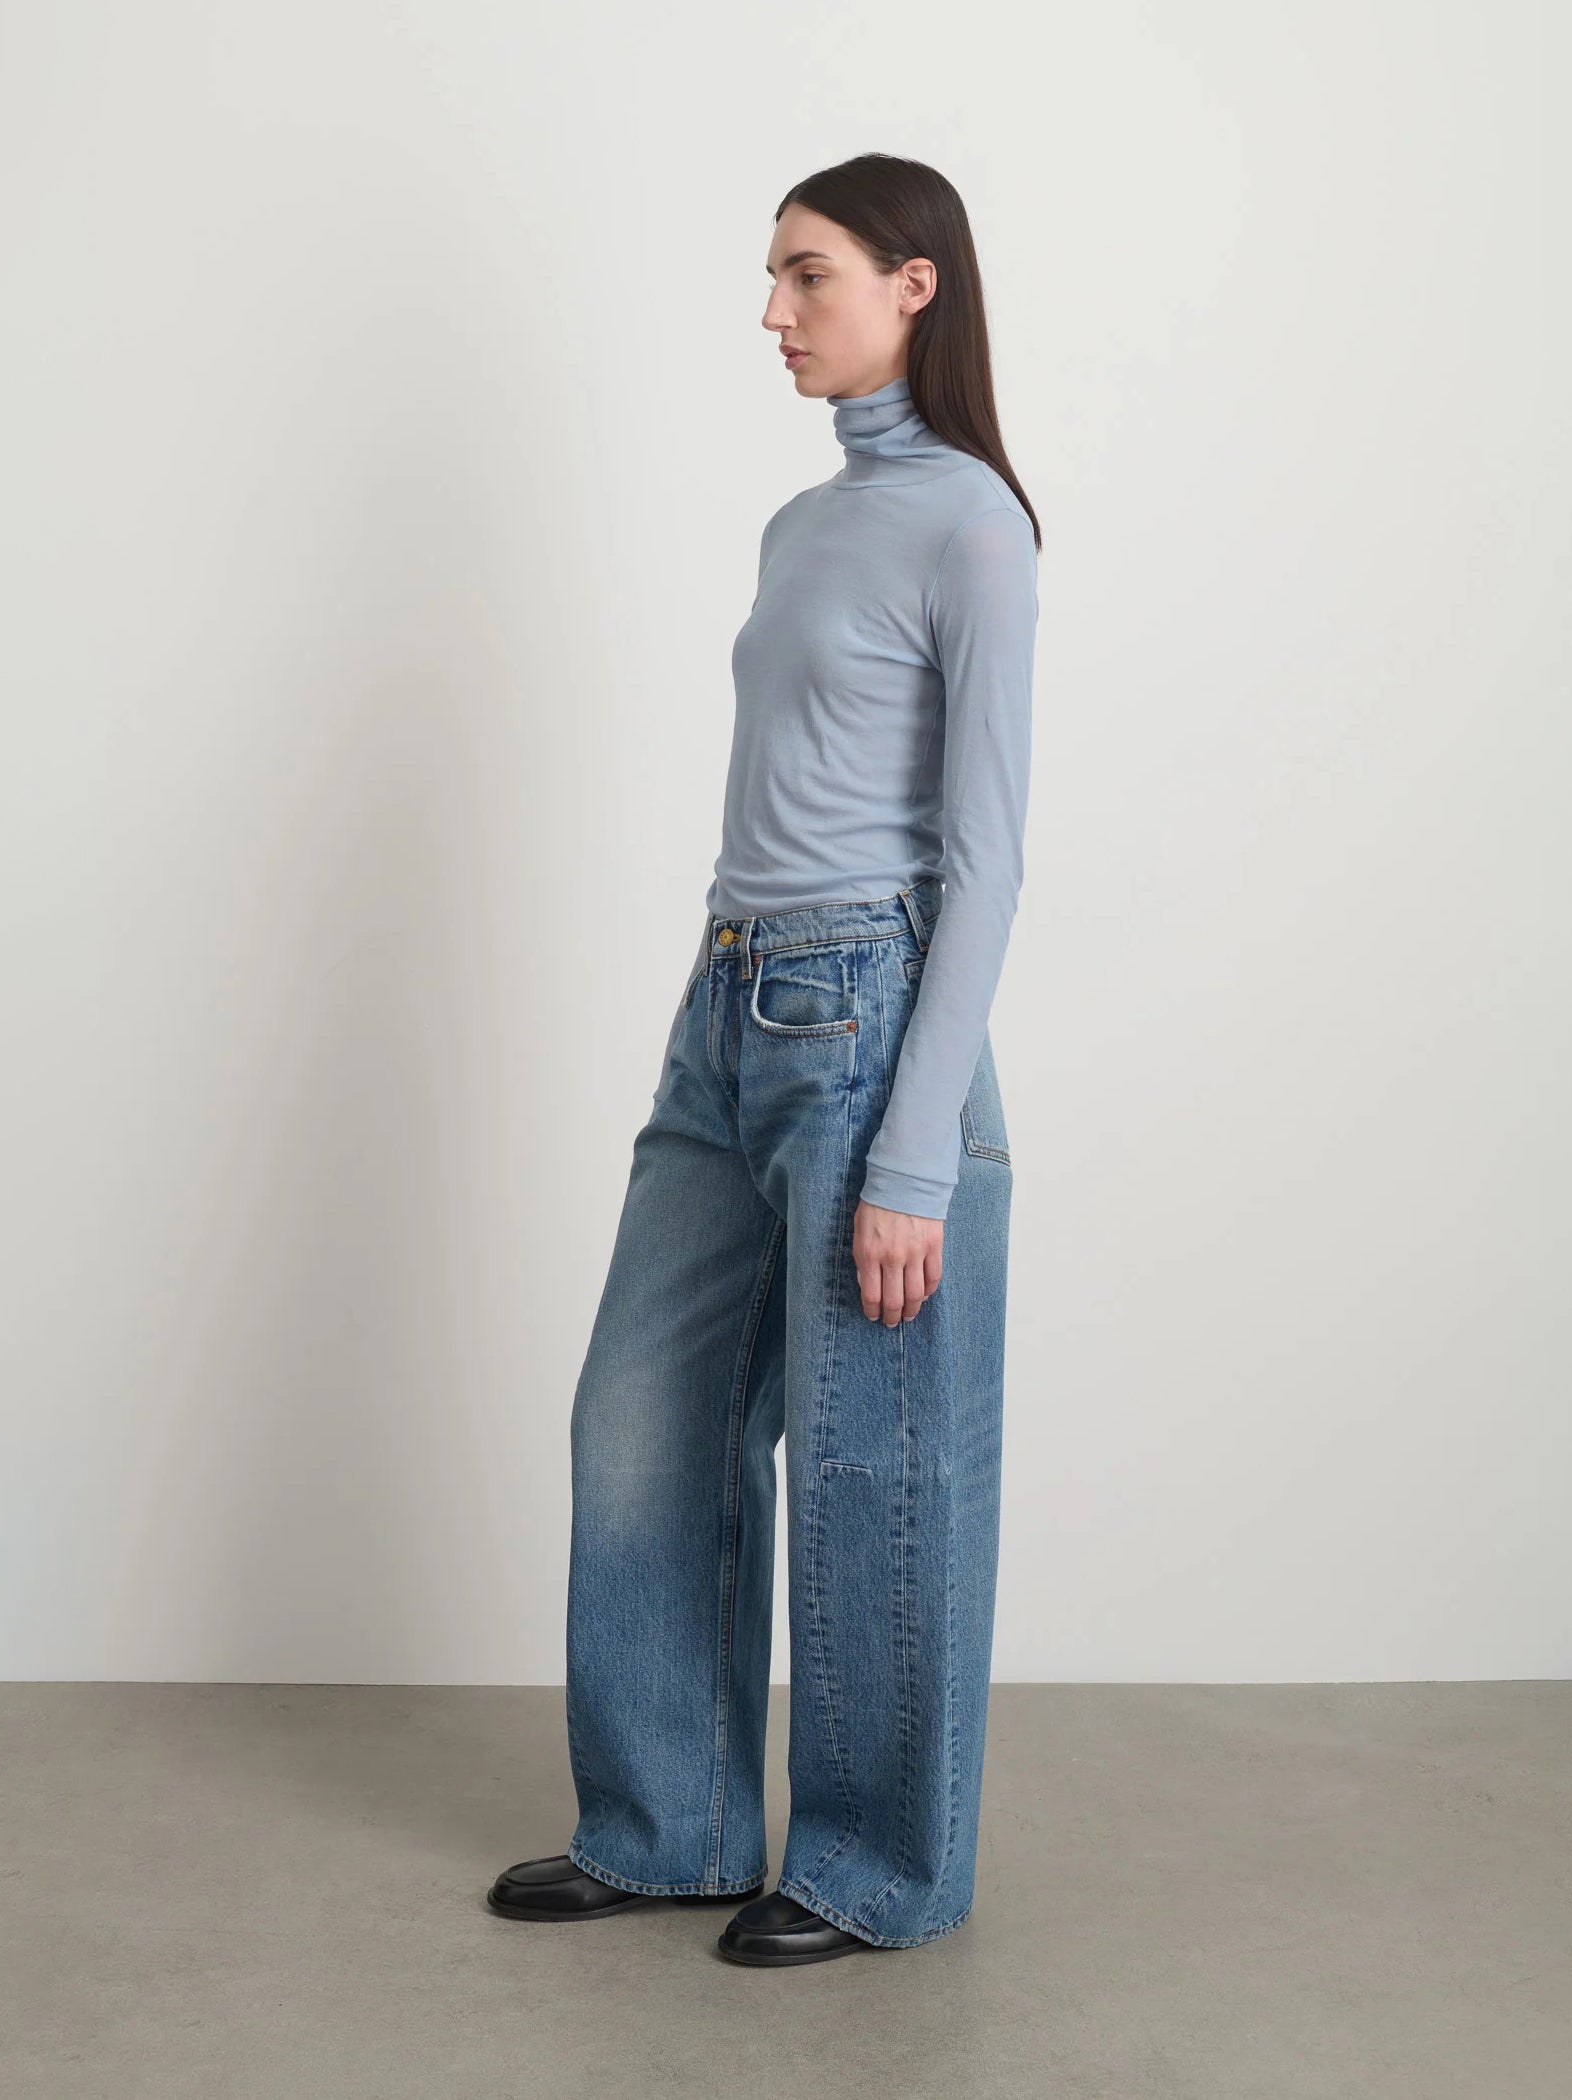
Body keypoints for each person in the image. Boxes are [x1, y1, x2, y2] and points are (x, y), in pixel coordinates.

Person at [487, 152, 1040, 1966]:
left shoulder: (975, 525)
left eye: (809, 275)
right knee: (643, 1414)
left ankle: (874, 1870)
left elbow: (987, 860)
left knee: (877, 1460)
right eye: (774, 276)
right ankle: (673, 1829)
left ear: (913, 284)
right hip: (728, 1000)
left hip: (870, 1011)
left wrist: (912, 1155)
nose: (775, 311)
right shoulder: (804, 523)